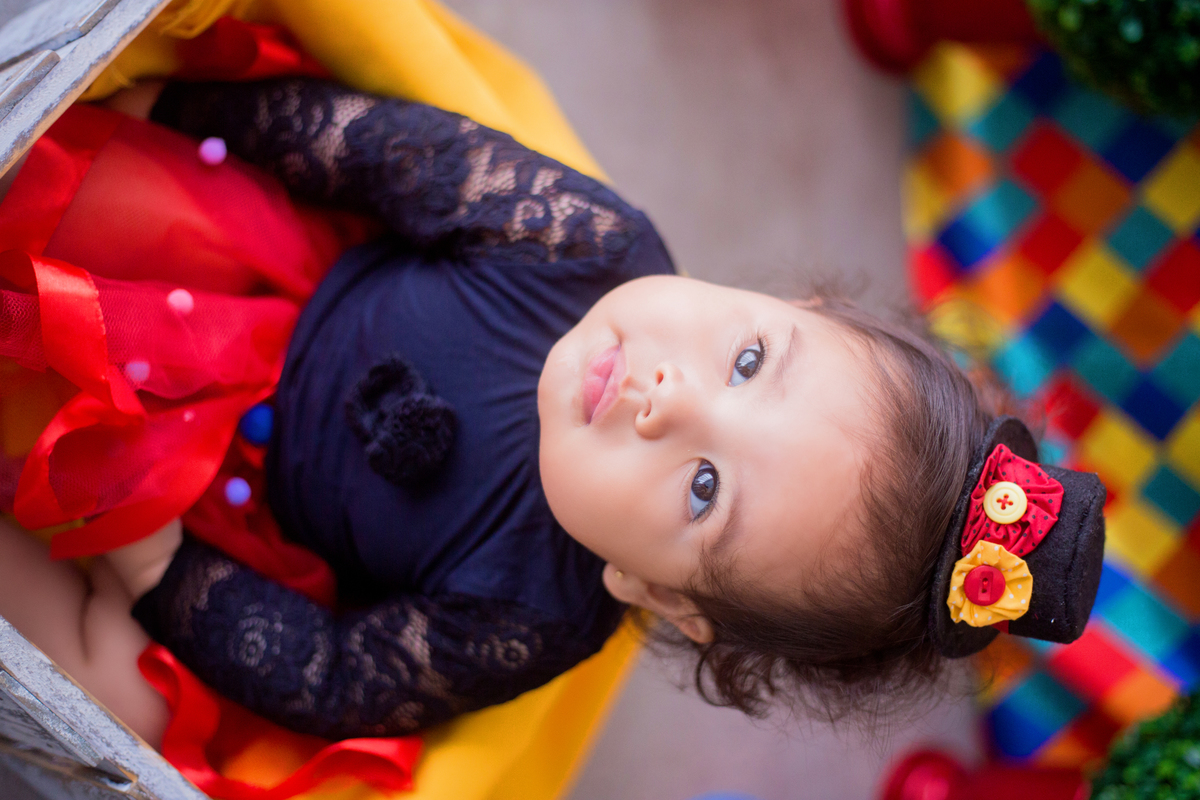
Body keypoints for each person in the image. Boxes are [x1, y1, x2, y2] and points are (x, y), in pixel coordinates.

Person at [0, 76, 1106, 751]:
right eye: (749, 358)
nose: (669, 399)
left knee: (122, 704)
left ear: (664, 596)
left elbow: (334, 673)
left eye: (705, 488)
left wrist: (166, 572)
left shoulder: (529, 616)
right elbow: (376, 148)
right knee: (106, 195)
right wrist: (185, 115)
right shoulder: (587, 244)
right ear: (791, 305)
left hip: (216, 506)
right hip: (253, 290)